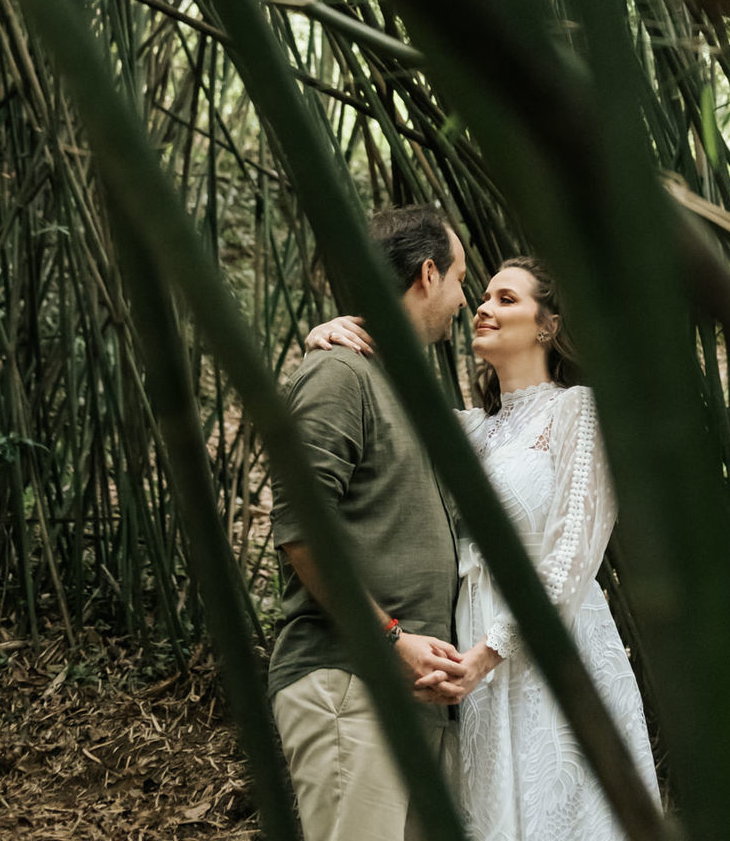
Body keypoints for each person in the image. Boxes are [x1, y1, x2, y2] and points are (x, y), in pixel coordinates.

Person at [307, 254, 661, 841]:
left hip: (548, 644)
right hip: (467, 644)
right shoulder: (466, 429)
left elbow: (573, 553)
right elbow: (378, 407)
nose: (483, 308)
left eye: (506, 298)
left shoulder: (579, 411)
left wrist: (490, 652)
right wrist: (329, 336)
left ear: (547, 325)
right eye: (483, 296)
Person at [270, 203, 470, 841]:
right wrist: (390, 637)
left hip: (415, 699)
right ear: (429, 274)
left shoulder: (402, 385)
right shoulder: (338, 372)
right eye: (463, 280)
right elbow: (302, 532)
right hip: (351, 685)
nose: (465, 302)